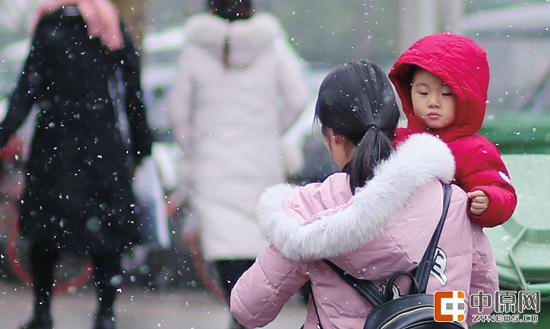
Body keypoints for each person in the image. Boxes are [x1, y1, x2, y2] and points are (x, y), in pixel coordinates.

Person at [230, 61, 498, 329]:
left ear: (333, 137)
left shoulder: (307, 212)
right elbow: (481, 298)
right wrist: (426, 311)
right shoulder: (451, 202)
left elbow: (248, 309)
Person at [0, 1, 153, 328]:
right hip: (102, 141)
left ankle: (42, 311)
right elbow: (132, 90)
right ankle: (105, 313)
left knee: (45, 233)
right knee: (107, 234)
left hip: (55, 143)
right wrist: (142, 146)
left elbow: (27, 88)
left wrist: (4, 132)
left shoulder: (50, 25)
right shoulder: (109, 25)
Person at [167, 1, 308, 327]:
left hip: (212, 163)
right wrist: (272, 132)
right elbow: (298, 97)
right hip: (261, 160)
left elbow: (177, 110)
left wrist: (194, 145)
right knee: (255, 243)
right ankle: (248, 314)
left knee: (225, 244)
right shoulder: (271, 43)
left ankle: (237, 310)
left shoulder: (195, 48)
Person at [388, 33, 517, 228]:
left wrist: (488, 200)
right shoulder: (396, 139)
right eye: (423, 92)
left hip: (452, 250)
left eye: (446, 94)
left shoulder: (475, 150)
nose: (433, 102)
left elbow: (503, 193)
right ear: (409, 92)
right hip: (398, 246)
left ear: (467, 99)